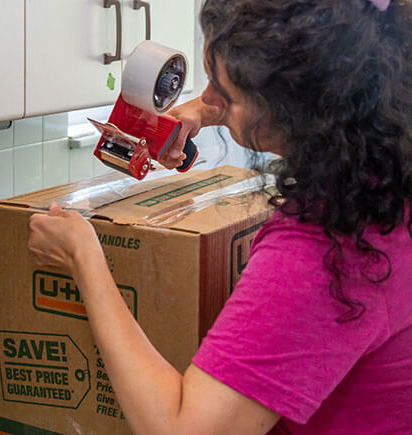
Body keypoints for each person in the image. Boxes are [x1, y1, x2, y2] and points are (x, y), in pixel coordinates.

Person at [28, 0, 412, 433]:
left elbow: (182, 429)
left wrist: (84, 259)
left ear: (292, 107)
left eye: (225, 91)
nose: (207, 98)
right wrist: (213, 109)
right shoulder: (387, 175)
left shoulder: (329, 248)